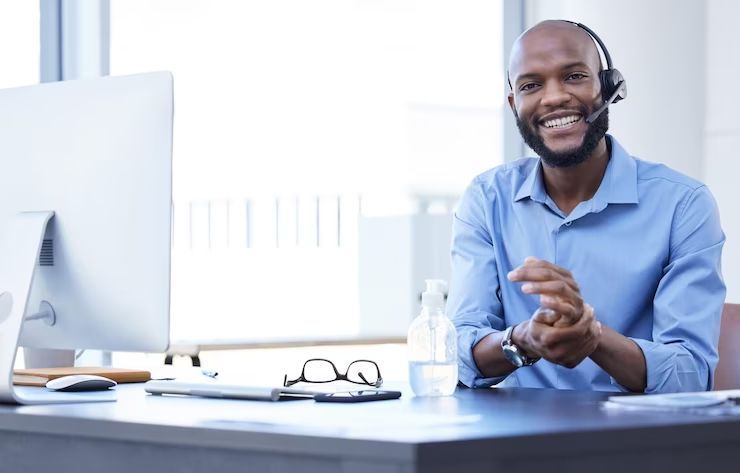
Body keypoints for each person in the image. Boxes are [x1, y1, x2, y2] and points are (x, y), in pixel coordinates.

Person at [446, 20, 725, 393]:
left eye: (574, 76)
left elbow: (689, 375)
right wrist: (523, 339)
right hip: (511, 440)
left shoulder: (684, 205)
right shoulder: (486, 198)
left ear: (608, 88)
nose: (553, 97)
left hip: (634, 442)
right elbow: (455, 355)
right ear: (515, 104)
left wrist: (592, 336)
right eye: (531, 85)